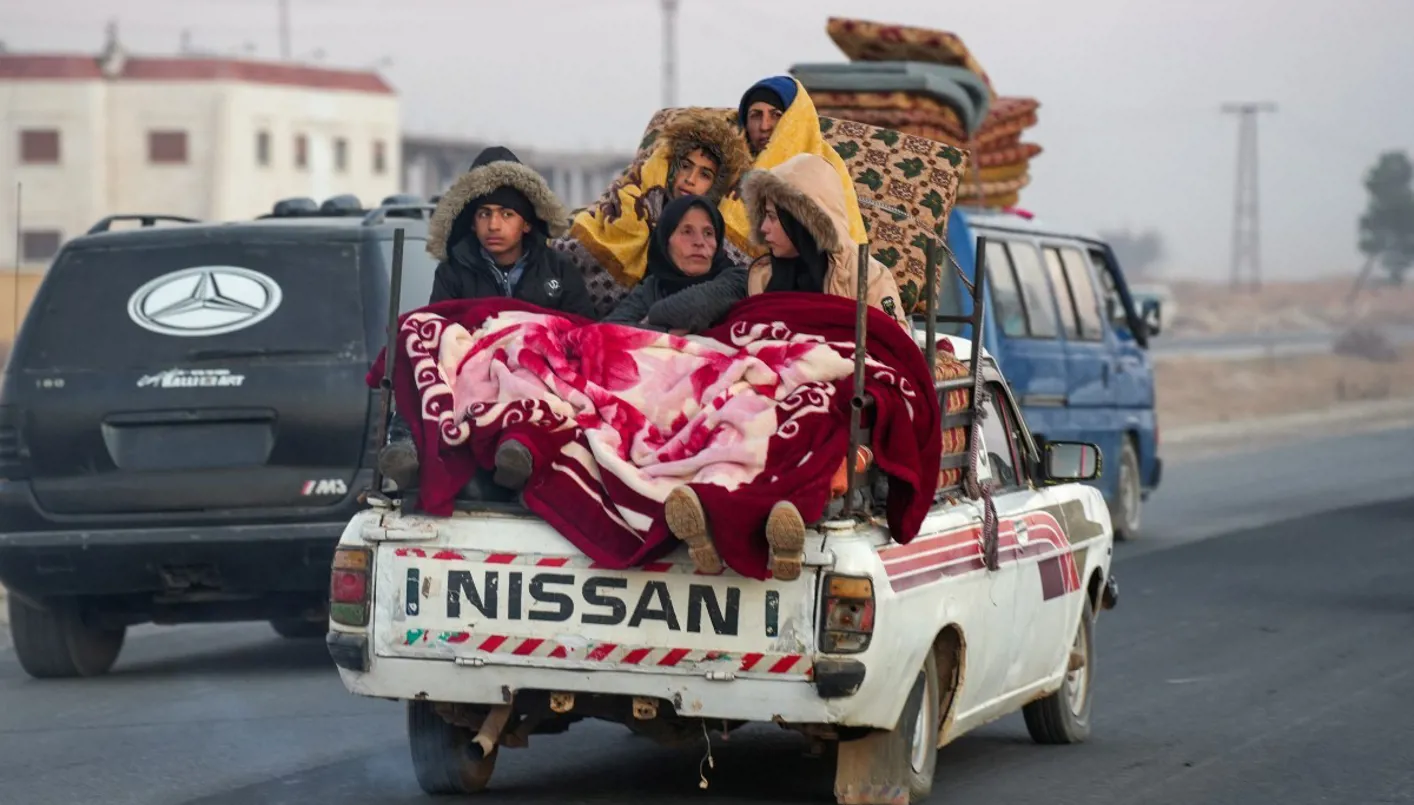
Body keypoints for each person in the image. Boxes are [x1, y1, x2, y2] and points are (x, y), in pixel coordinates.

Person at [662, 152, 911, 581]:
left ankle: (788, 517)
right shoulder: (763, 274)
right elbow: (754, 337)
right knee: (730, 405)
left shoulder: (867, 276)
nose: (763, 230)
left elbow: (893, 351)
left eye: (774, 218)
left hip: (835, 386)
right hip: (774, 381)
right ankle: (712, 508)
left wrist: (819, 363)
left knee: (816, 414)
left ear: (803, 218)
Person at [378, 146, 593, 496]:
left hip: (532, 377)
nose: (494, 224)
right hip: (467, 371)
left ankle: (518, 455)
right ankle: (406, 448)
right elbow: (438, 330)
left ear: (526, 222)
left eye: (507, 213)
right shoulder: (453, 270)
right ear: (471, 219)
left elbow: (582, 335)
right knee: (418, 349)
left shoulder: (558, 270)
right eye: (484, 213)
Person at [556, 109, 752, 317]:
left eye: (704, 174)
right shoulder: (629, 204)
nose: (690, 179)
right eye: (685, 166)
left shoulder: (727, 263)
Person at [602, 194, 746, 333]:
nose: (699, 242)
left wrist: (651, 318)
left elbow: (696, 305)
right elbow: (606, 332)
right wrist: (664, 331)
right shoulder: (653, 287)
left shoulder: (737, 279)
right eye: (687, 231)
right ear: (665, 242)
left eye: (708, 233)